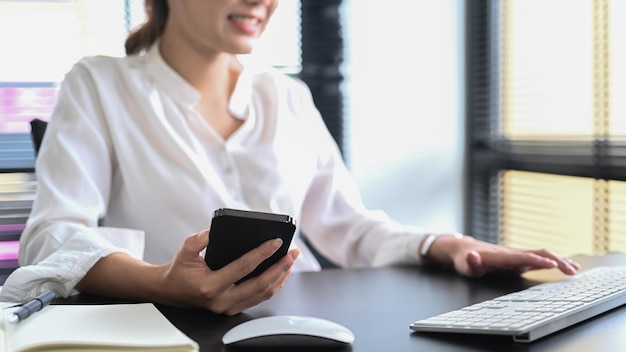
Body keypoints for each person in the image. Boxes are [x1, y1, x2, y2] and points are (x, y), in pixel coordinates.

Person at [1, 0, 579, 314]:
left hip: (299, 326)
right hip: (174, 334)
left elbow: (348, 228)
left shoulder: (287, 95)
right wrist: (164, 282)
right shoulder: (99, 85)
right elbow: (53, 236)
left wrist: (443, 244)